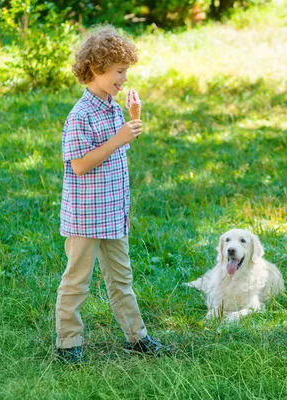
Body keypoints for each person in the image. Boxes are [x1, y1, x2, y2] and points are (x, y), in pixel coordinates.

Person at [55, 25, 170, 363]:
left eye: (126, 71)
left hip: (113, 212)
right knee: (77, 282)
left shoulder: (113, 108)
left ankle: (138, 338)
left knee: (122, 279)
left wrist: (132, 120)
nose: (124, 78)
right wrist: (119, 137)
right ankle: (68, 344)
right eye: (119, 71)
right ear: (97, 68)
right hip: (85, 217)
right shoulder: (80, 115)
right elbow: (80, 165)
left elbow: (116, 153)